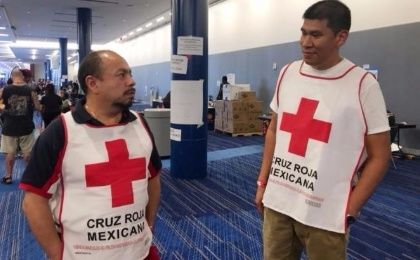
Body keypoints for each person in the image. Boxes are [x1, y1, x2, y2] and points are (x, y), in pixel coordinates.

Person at [254, 1, 390, 259]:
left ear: (341, 37)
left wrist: (351, 208)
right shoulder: (288, 73)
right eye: (303, 32)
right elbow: (274, 129)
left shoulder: (362, 84)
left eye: (316, 34)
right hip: (279, 202)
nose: (305, 42)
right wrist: (263, 182)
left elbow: (380, 156)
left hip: (326, 212)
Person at [20, 50, 162, 259]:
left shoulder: (140, 124)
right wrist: (56, 254)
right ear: (93, 83)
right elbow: (33, 201)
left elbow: (153, 177)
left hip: (139, 252)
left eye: (130, 74)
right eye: (121, 75)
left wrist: (148, 224)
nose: (131, 81)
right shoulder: (61, 131)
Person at [0, 68, 41, 185]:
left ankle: (8, 176)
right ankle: (28, 177)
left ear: (12, 77)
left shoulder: (4, 89)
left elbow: (1, 106)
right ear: (22, 77)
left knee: (10, 153)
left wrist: (4, 109)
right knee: (27, 152)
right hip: (26, 125)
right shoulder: (30, 90)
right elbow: (38, 107)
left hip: (9, 126)